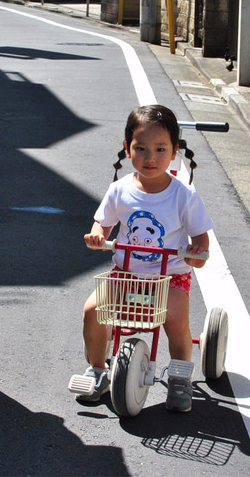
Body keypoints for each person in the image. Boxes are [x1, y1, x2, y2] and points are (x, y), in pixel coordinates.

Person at [76, 104, 214, 413]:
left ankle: (179, 376)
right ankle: (98, 370)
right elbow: (103, 222)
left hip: (170, 276)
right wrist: (98, 234)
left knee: (176, 321)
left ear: (174, 151)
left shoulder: (184, 195)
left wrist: (197, 254)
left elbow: (201, 238)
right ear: (127, 149)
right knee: (92, 310)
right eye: (141, 148)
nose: (150, 158)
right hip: (126, 273)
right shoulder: (120, 190)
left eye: (160, 149)